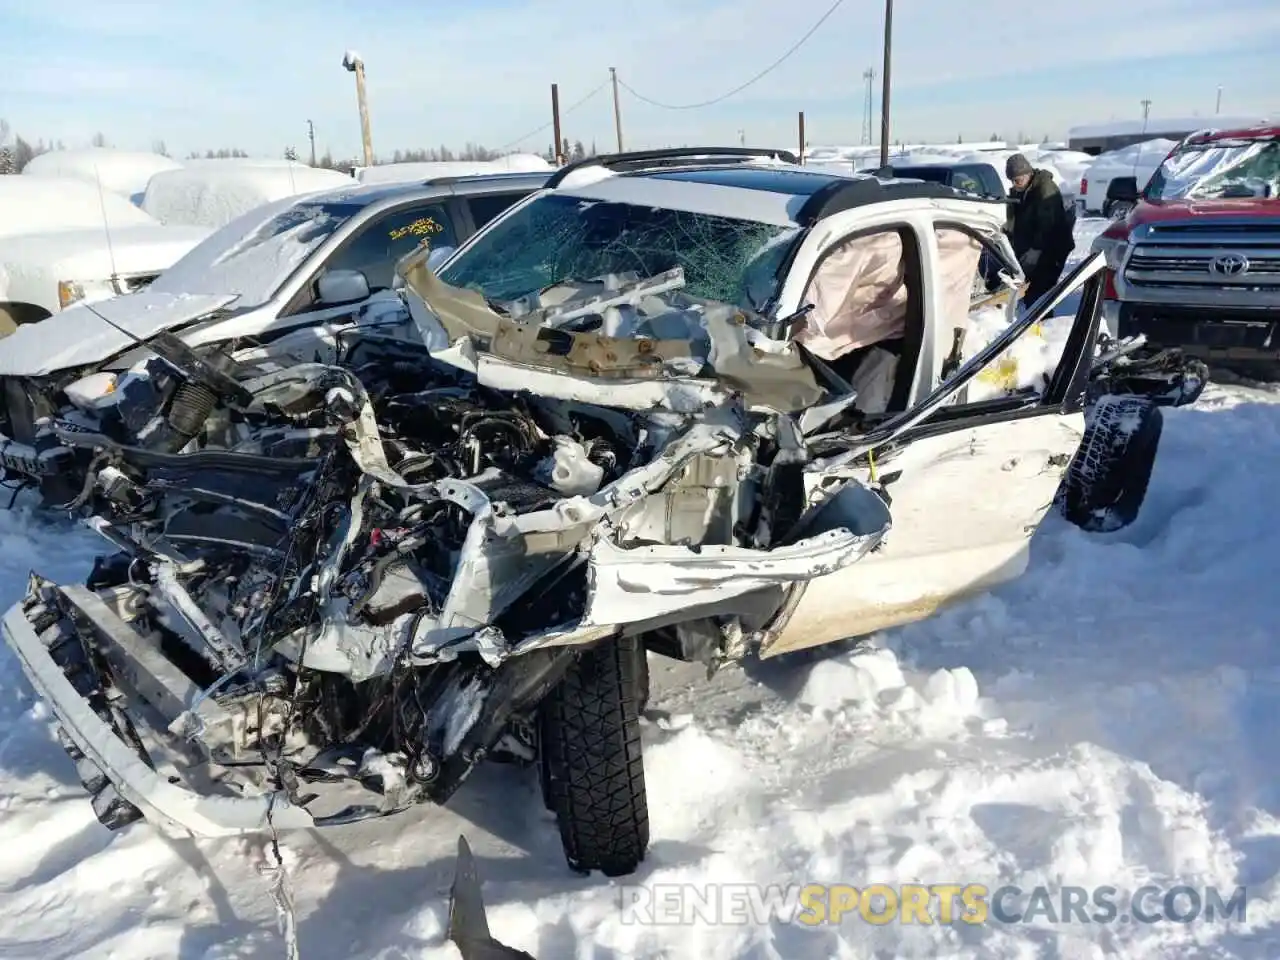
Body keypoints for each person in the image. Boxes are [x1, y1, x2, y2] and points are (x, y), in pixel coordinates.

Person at [1005, 154, 1076, 307]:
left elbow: (1048, 224)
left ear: (1027, 174)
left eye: (1017, 180)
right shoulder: (1021, 190)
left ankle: (1044, 326)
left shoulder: (1045, 189)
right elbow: (1015, 221)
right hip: (1034, 247)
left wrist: (1036, 250)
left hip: (1053, 248)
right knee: (1030, 291)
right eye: (1012, 181)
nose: (1014, 184)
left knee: (1040, 295)